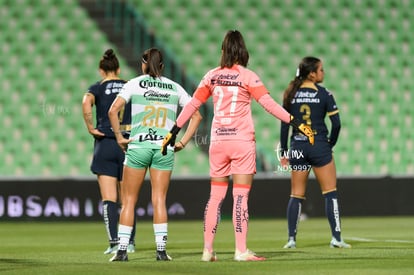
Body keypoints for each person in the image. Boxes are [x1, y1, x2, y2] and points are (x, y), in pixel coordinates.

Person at [161, 30, 313, 262]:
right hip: (241, 142)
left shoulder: (211, 76)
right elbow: (269, 105)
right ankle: (241, 250)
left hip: (218, 142)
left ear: (223, 51)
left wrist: (173, 131)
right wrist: (296, 122)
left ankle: (207, 250)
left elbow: (193, 105)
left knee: (215, 197)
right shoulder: (248, 77)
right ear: (243, 51)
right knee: (240, 197)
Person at [107, 48, 202, 262]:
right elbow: (197, 116)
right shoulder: (174, 87)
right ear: (162, 67)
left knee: (129, 201)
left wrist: (119, 137)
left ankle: (122, 251)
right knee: (159, 199)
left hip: (139, 147)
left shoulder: (134, 83)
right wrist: (183, 143)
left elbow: (112, 111)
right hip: (164, 148)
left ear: (143, 64)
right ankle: (161, 251)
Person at [279, 56, 351, 249]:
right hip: (319, 146)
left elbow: (285, 125)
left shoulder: (291, 93)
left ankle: (291, 240)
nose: (323, 73)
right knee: (330, 193)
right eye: (321, 70)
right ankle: (336, 238)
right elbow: (336, 124)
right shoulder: (325, 94)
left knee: (296, 195)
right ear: (312, 74)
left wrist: (284, 151)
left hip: (299, 147)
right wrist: (330, 144)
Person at [82, 49, 136, 255]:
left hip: (104, 143)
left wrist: (90, 127)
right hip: (127, 143)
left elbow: (85, 102)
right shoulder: (129, 85)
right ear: (119, 69)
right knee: (128, 198)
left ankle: (113, 242)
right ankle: (129, 242)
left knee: (109, 198)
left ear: (101, 70)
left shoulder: (96, 87)